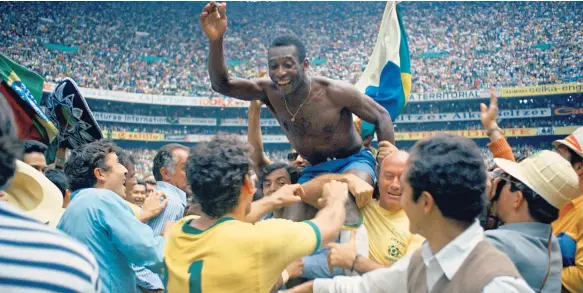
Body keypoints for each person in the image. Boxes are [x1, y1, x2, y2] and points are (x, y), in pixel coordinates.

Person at [201, 2, 393, 216]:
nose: (280, 72)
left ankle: (352, 250)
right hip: (313, 169)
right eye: (273, 66)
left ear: (305, 65)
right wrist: (216, 40)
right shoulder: (268, 91)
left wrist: (384, 165)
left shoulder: (334, 92)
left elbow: (381, 116)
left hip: (353, 162)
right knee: (291, 218)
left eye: (288, 64)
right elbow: (222, 84)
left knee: (346, 199)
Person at [284, 134, 533, 293]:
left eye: (406, 186)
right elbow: (364, 287)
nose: (396, 189)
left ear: (425, 202)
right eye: (389, 178)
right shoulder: (424, 261)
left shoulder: (495, 285)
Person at [164, 135, 350, 292]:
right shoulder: (261, 239)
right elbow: (329, 226)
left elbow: (226, 222)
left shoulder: (177, 232)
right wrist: (337, 197)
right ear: (248, 184)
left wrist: (273, 200)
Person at [0, 94, 101, 293]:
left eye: (43, 171)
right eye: (33, 170)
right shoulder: (72, 262)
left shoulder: (67, 255)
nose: (41, 178)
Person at [57, 140, 167, 293]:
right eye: (117, 163)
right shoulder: (102, 200)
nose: (124, 170)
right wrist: (170, 236)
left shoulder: (73, 207)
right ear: (100, 173)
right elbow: (149, 252)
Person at [487, 150, 579, 292]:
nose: (500, 185)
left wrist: (478, 201)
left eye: (507, 181)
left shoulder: (497, 245)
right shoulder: (550, 241)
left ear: (517, 199)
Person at [327, 151, 425, 274]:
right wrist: (346, 179)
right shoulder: (358, 204)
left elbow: (406, 276)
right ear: (378, 178)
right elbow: (305, 190)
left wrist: (354, 262)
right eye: (389, 176)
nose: (395, 185)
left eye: (402, 178)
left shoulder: (419, 226)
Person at [135, 143, 190, 293]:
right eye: (185, 168)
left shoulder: (166, 198)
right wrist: (158, 289)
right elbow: (143, 256)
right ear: (166, 173)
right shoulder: (170, 201)